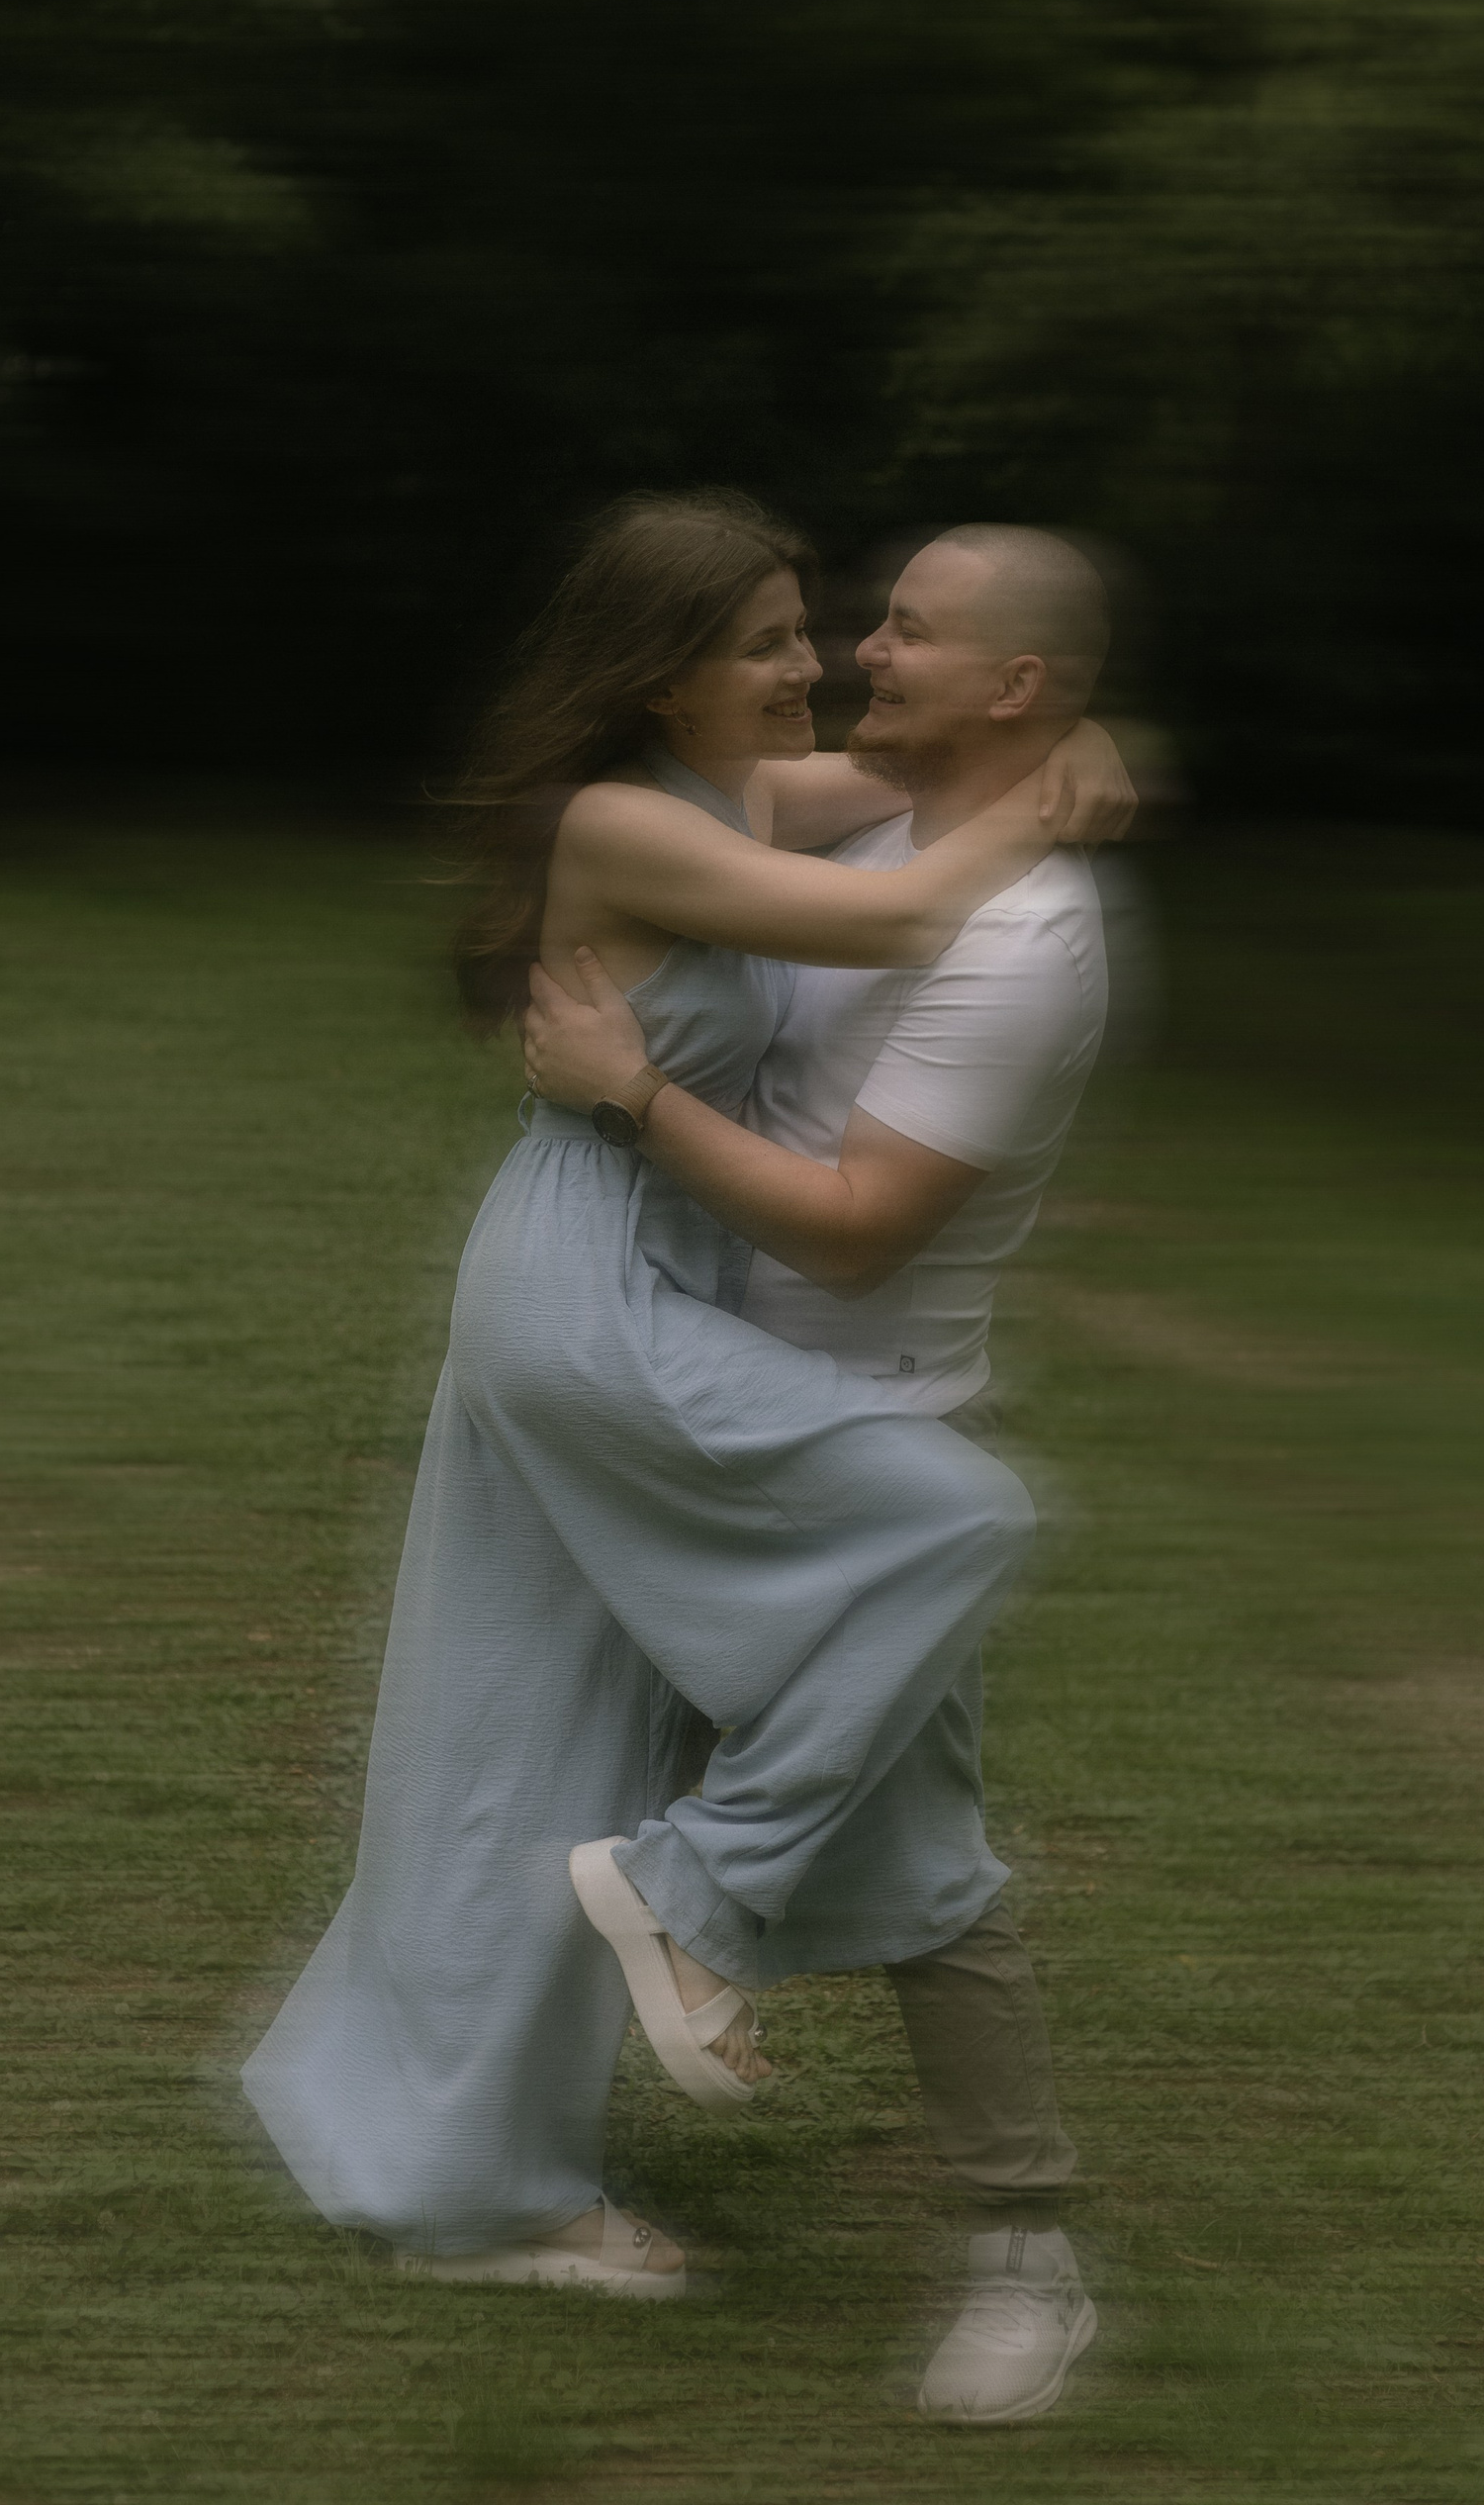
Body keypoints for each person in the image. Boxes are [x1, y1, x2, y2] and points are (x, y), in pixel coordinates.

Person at [240, 496, 1128, 2351]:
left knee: (519, 1732)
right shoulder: (623, 819)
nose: (824, 663)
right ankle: (688, 1899)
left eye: (831, 629)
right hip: (598, 1288)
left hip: (626, 1279)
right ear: (662, 675)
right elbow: (896, 910)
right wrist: (1047, 799)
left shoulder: (729, 794)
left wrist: (1063, 745)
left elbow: (893, 799)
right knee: (960, 1517)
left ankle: (465, 2175)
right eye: (774, 640)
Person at [522, 520, 1126, 2425]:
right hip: (694, 1382)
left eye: (907, 632)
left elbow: (858, 1232)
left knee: (923, 1866)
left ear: (1011, 684)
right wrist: (1080, 755)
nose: (862, 651)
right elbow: (737, 814)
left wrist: (634, 1094)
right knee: (553, 1765)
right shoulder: (876, 833)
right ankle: (516, 2148)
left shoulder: (1021, 939)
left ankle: (1025, 2259)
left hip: (859, 1435)